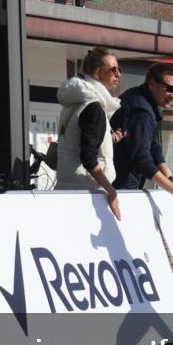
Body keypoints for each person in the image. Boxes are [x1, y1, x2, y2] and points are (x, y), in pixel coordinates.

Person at [55, 48, 126, 219]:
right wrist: (111, 190)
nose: (118, 74)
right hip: (86, 192)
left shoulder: (75, 103)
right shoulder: (94, 107)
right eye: (113, 69)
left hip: (69, 186)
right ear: (96, 72)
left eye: (119, 69)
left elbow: (78, 138)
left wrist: (110, 138)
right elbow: (88, 157)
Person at [114, 63, 173, 205]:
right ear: (152, 84)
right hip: (121, 181)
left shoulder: (142, 97)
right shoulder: (142, 112)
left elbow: (154, 145)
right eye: (170, 89)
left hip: (123, 175)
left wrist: (170, 179)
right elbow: (142, 158)